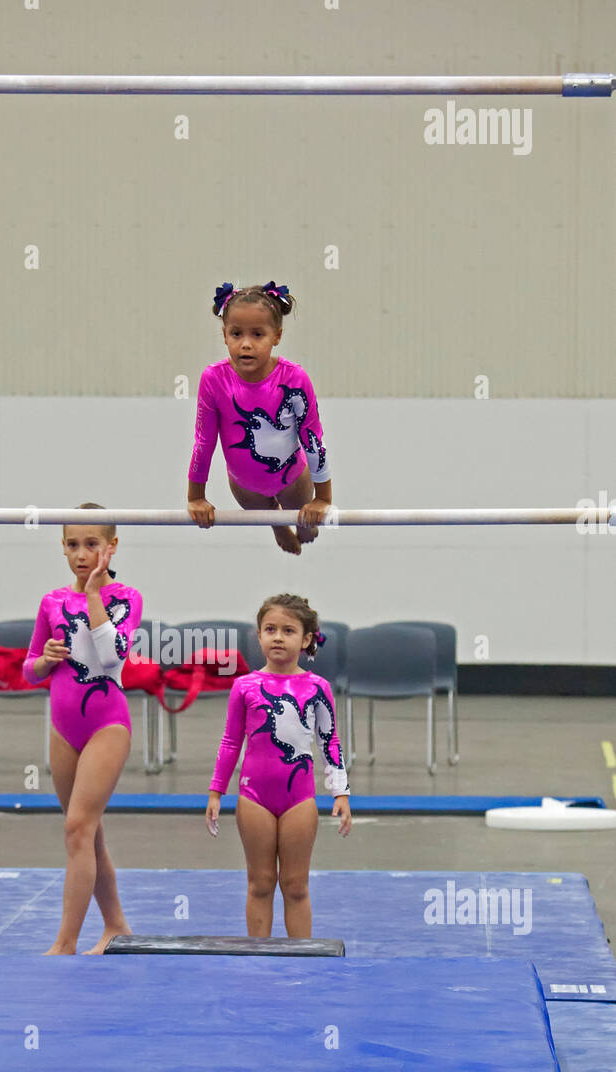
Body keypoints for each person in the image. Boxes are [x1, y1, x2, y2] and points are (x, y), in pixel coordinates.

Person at [22, 504, 143, 954]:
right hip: (63, 727)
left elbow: (113, 658)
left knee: (77, 828)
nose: (81, 554)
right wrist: (45, 659)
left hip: (107, 725)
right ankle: (115, 925)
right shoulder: (51, 602)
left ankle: (65, 943)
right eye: (73, 544)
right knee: (88, 833)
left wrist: (93, 596)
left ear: (111, 547)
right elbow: (28, 671)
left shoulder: (127, 597)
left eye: (92, 544)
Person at [206, 593, 351, 937]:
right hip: (253, 797)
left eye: (288, 630)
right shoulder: (244, 686)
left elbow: (329, 740)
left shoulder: (318, 688)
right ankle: (259, 957)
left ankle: (301, 962)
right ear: (258, 635)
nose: (278, 637)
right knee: (260, 882)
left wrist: (340, 792)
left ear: (306, 640)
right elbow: (230, 742)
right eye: (270, 629)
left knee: (296, 884)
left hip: (299, 800)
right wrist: (216, 791)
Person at [187, 281, 333, 554]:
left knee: (302, 513)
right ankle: (277, 525)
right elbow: (203, 441)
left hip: (292, 478)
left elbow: (312, 438)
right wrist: (196, 497)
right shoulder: (214, 379)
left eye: (257, 334)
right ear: (224, 335)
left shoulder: (294, 378)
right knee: (264, 511)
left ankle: (298, 525)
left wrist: (323, 499)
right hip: (244, 484)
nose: (245, 344)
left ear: (276, 336)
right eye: (236, 334)